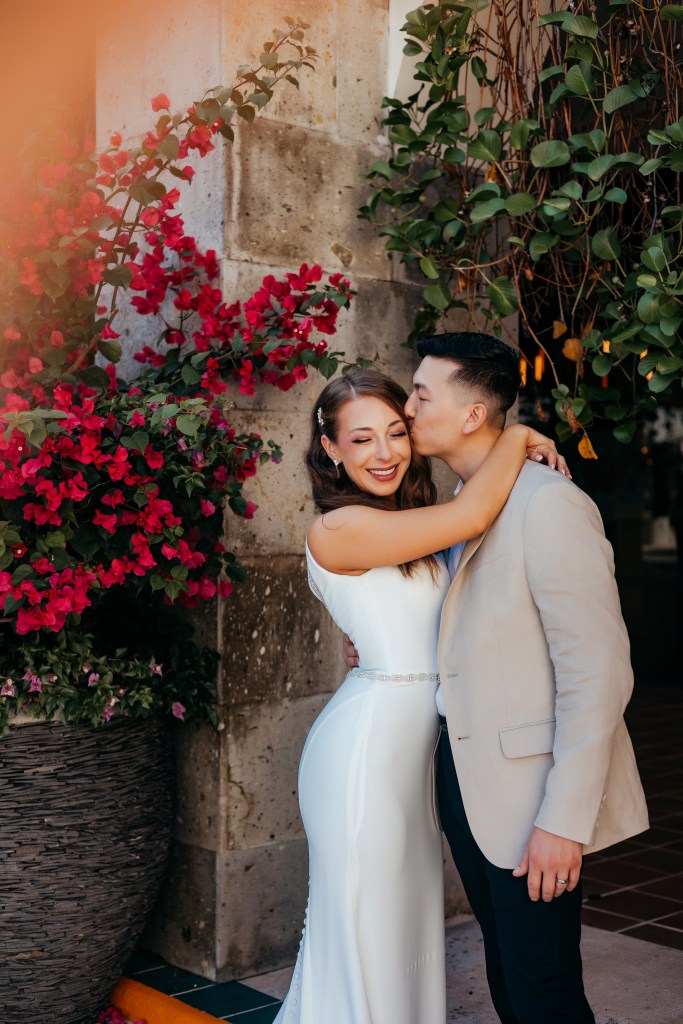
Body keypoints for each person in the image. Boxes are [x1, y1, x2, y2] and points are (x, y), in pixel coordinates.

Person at [344, 333, 650, 1024]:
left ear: (473, 415)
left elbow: (598, 673)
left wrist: (563, 821)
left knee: (543, 989)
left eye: (421, 395)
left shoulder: (547, 504)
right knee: (509, 978)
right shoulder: (460, 503)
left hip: (532, 795)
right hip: (464, 777)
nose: (407, 408)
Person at [273, 367, 567, 1024]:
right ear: (330, 448)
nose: (384, 453)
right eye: (361, 439)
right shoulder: (338, 528)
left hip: (419, 756)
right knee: (366, 925)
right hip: (366, 756)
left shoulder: (407, 521)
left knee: (405, 926)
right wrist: (515, 435)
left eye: (396, 433)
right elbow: (473, 513)